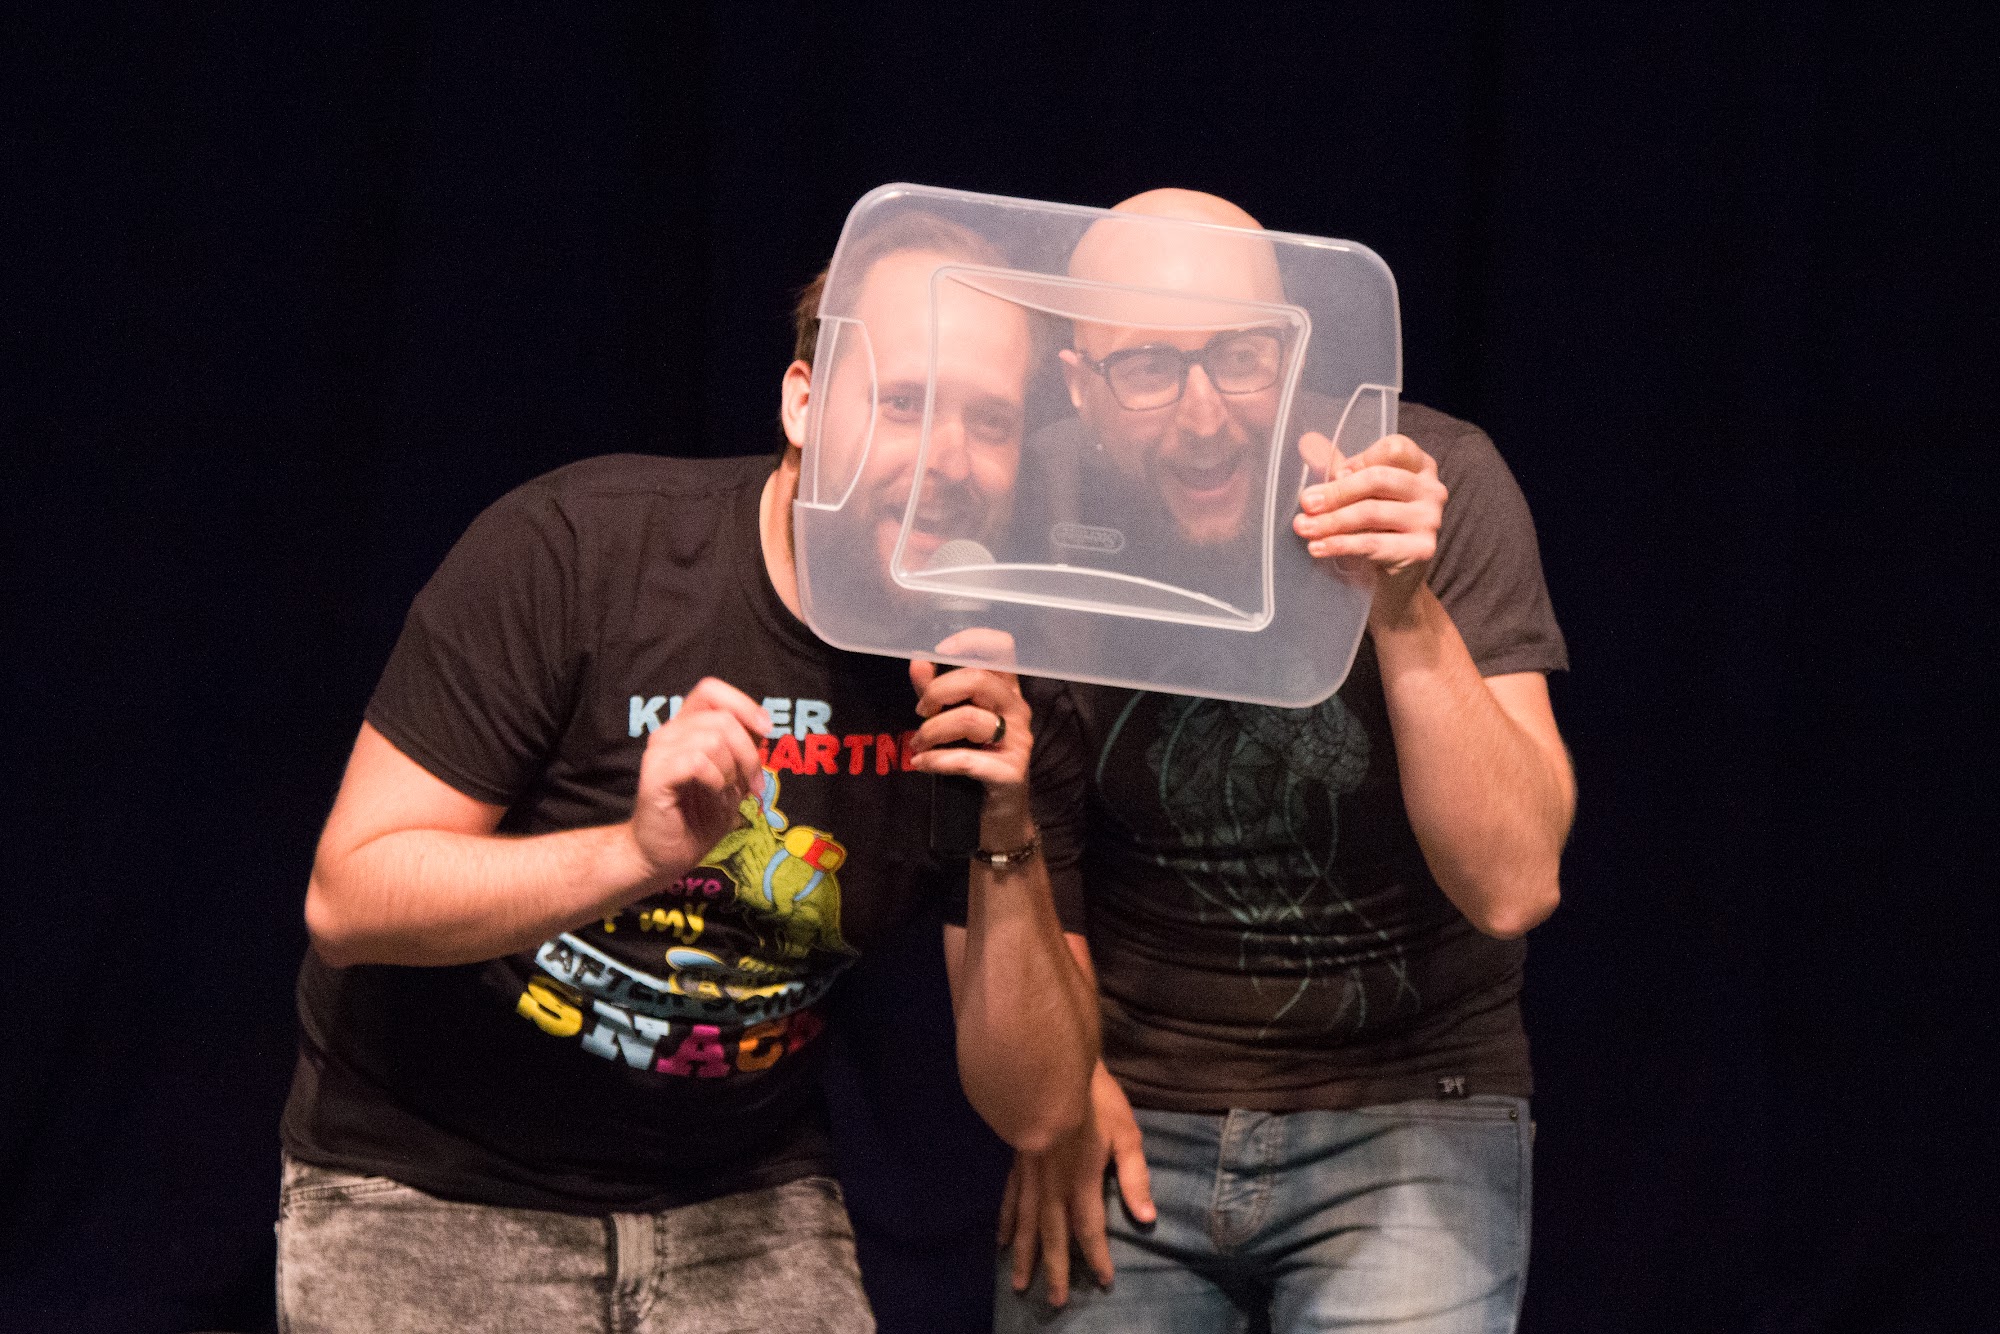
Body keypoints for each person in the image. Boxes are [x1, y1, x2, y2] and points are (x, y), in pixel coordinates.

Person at [276, 210, 1098, 1334]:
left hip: (739, 1195)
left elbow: (1038, 1108)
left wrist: (1005, 824)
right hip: (434, 1176)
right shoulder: (579, 551)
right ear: (803, 403)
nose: (944, 460)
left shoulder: (999, 672)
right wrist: (635, 853)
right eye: (904, 403)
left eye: (989, 421)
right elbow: (349, 898)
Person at [995, 189, 1575, 1334]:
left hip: (1411, 1095)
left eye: (1240, 357)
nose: (1204, 415)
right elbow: (1029, 850)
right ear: (1078, 382)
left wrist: (1400, 607)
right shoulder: (1038, 504)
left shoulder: (1426, 481)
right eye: (1148, 367)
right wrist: (1063, 1095)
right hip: (1133, 1101)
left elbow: (1512, 883)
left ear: (1293, 349)